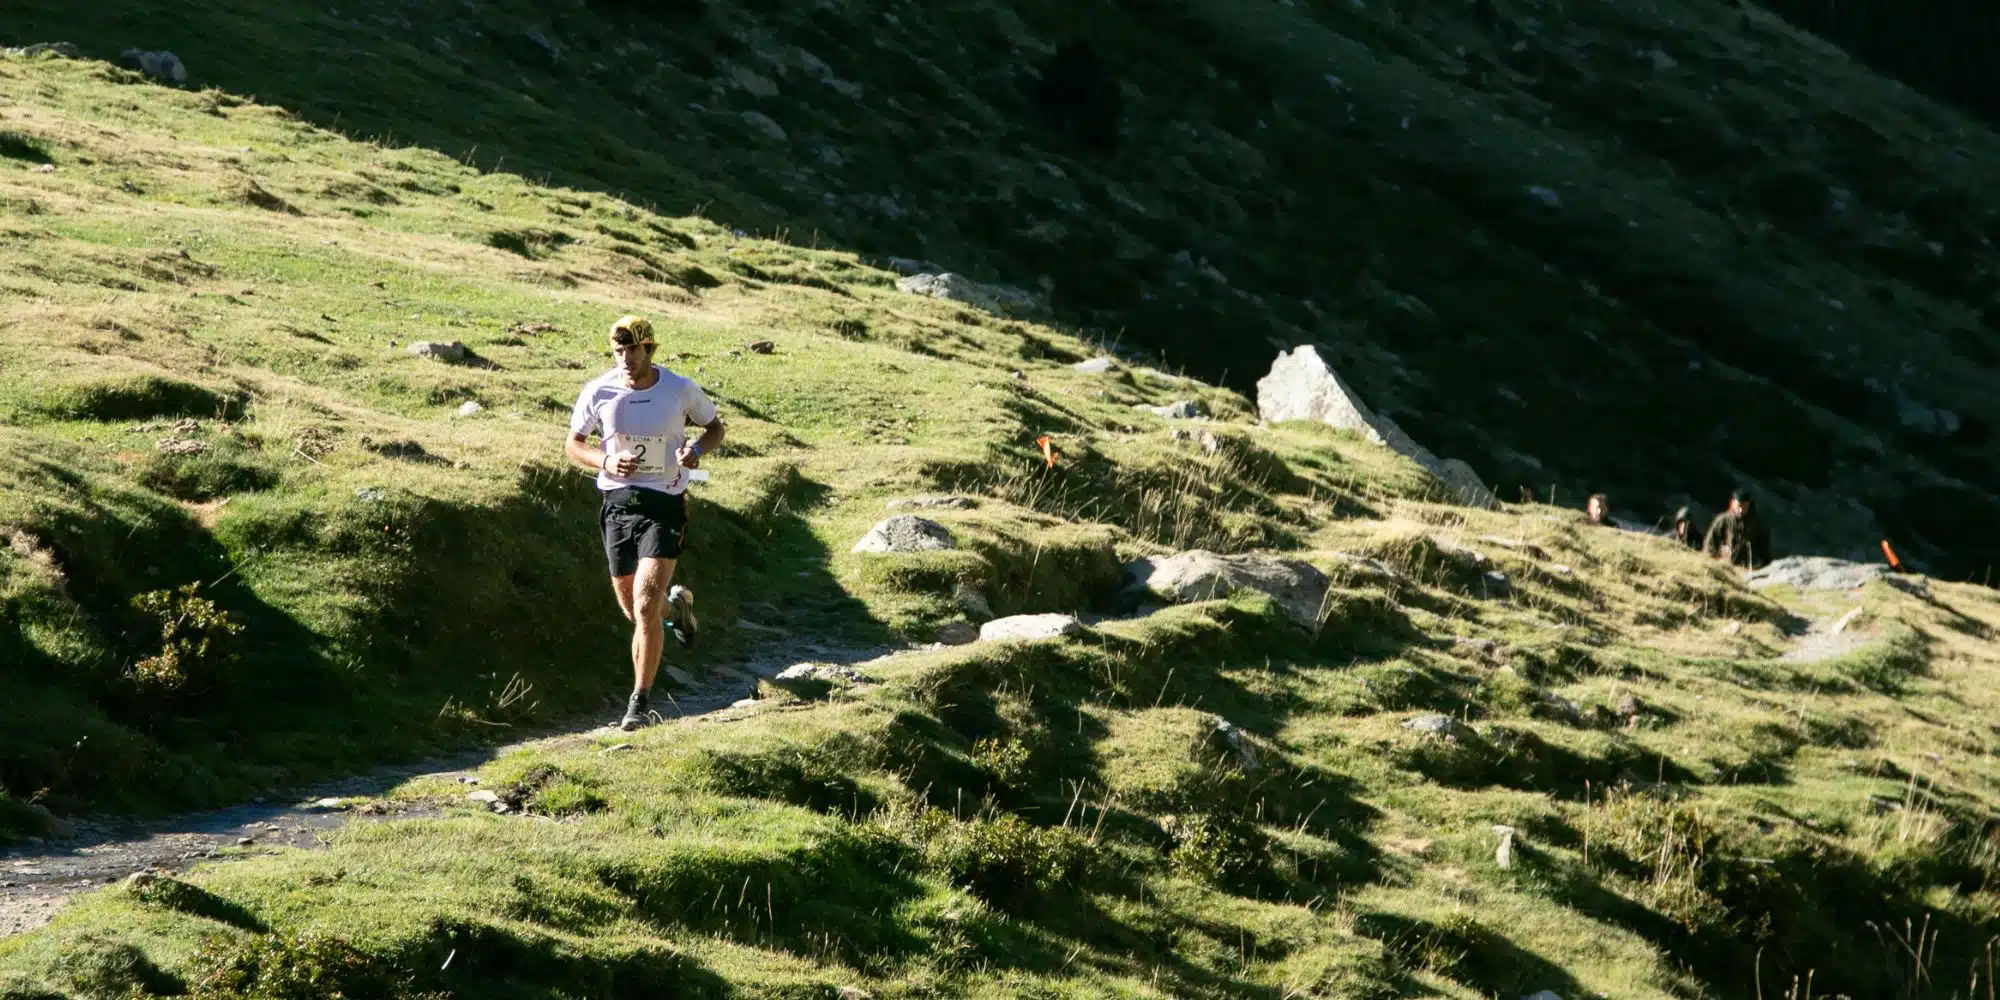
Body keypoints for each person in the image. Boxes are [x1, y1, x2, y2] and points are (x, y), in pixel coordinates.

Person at [564, 315, 726, 731]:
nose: (626, 359)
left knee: (644, 602)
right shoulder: (598, 390)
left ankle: (639, 703)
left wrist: (695, 452)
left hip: (665, 505)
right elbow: (573, 445)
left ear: (649, 349)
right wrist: (605, 460)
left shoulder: (678, 388)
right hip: (618, 505)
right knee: (635, 610)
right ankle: (679, 611)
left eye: (633, 350)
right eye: (618, 351)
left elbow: (714, 428)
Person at [1703, 489, 1772, 569]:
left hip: (1748, 568)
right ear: (1732, 503)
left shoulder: (1758, 525)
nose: (1741, 510)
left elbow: (1765, 553)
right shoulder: (1723, 520)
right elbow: (1709, 546)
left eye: (1744, 507)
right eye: (1739, 506)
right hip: (1723, 564)